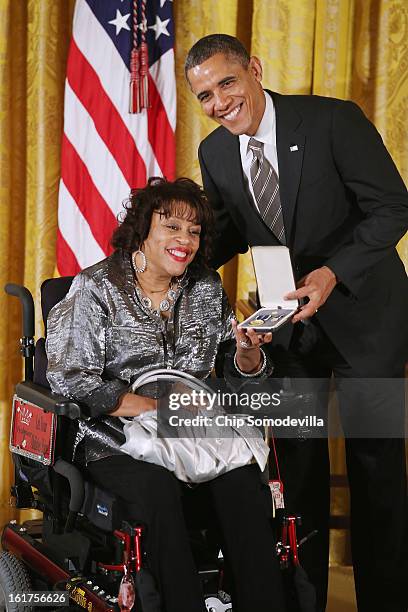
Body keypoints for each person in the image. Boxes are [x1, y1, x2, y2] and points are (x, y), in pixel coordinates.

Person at [185, 34, 408, 612]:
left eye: (226, 83)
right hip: (290, 327)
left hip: (368, 320)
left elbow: (393, 206)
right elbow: (233, 232)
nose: (218, 103)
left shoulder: (333, 120)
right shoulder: (214, 154)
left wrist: (332, 273)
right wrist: (167, 251)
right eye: (204, 95)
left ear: (254, 70)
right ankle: (303, 602)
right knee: (296, 466)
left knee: (374, 467)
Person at [46, 177, 286, 612]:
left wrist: (248, 355)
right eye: (172, 227)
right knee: (156, 492)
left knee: (244, 486)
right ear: (142, 230)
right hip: (113, 437)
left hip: (192, 434)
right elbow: (71, 378)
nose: (185, 241)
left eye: (194, 231)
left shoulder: (206, 287)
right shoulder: (97, 287)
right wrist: (155, 409)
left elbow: (235, 373)